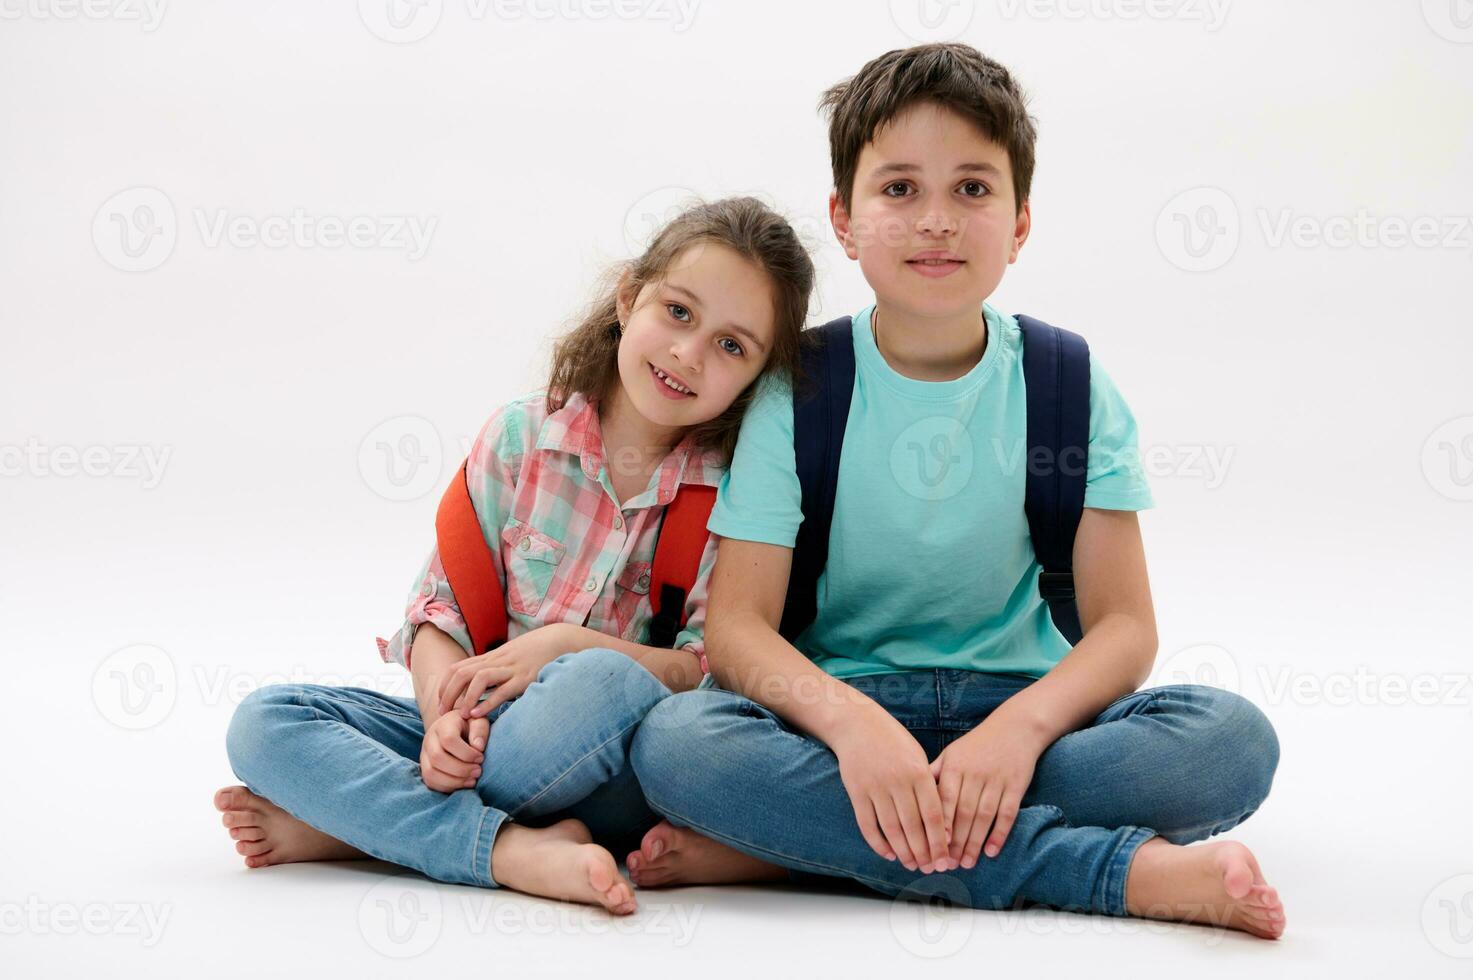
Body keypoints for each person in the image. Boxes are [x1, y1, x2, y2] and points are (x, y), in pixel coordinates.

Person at [624, 44, 1287, 940]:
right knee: (679, 747)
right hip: (837, 716)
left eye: (972, 189)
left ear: (1018, 223)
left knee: (1230, 743)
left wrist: (1015, 736)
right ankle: (1114, 875)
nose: (935, 220)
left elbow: (1125, 626)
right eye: (899, 189)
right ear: (845, 219)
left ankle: (799, 847)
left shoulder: (1067, 383)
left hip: (1029, 719)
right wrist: (854, 732)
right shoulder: (801, 387)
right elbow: (738, 630)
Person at [214, 195, 814, 915]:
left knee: (604, 683)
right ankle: (508, 849)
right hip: (475, 730)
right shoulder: (520, 436)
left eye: (731, 346)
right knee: (266, 721)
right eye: (678, 313)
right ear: (628, 296)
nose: (689, 353)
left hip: (607, 764)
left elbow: (704, 670)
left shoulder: (733, 493)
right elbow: (442, 611)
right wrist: (442, 717)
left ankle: (360, 827)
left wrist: (563, 645)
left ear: (757, 377)